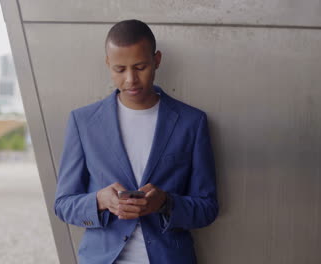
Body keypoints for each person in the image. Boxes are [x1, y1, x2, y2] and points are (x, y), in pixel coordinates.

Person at [54, 19, 218, 264]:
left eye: (140, 67)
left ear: (157, 60)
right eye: (120, 69)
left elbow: (207, 207)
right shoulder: (83, 122)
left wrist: (165, 202)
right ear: (108, 64)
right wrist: (99, 200)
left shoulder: (191, 122)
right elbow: (63, 204)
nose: (130, 79)